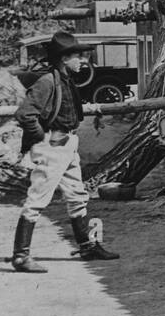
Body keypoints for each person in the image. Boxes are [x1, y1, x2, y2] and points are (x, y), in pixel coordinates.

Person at [11, 31, 118, 271]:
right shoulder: (47, 81)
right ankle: (20, 255)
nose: (83, 61)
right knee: (37, 200)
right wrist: (43, 139)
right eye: (78, 57)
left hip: (69, 144)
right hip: (53, 146)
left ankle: (88, 246)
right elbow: (25, 114)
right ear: (63, 58)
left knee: (77, 195)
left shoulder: (66, 79)